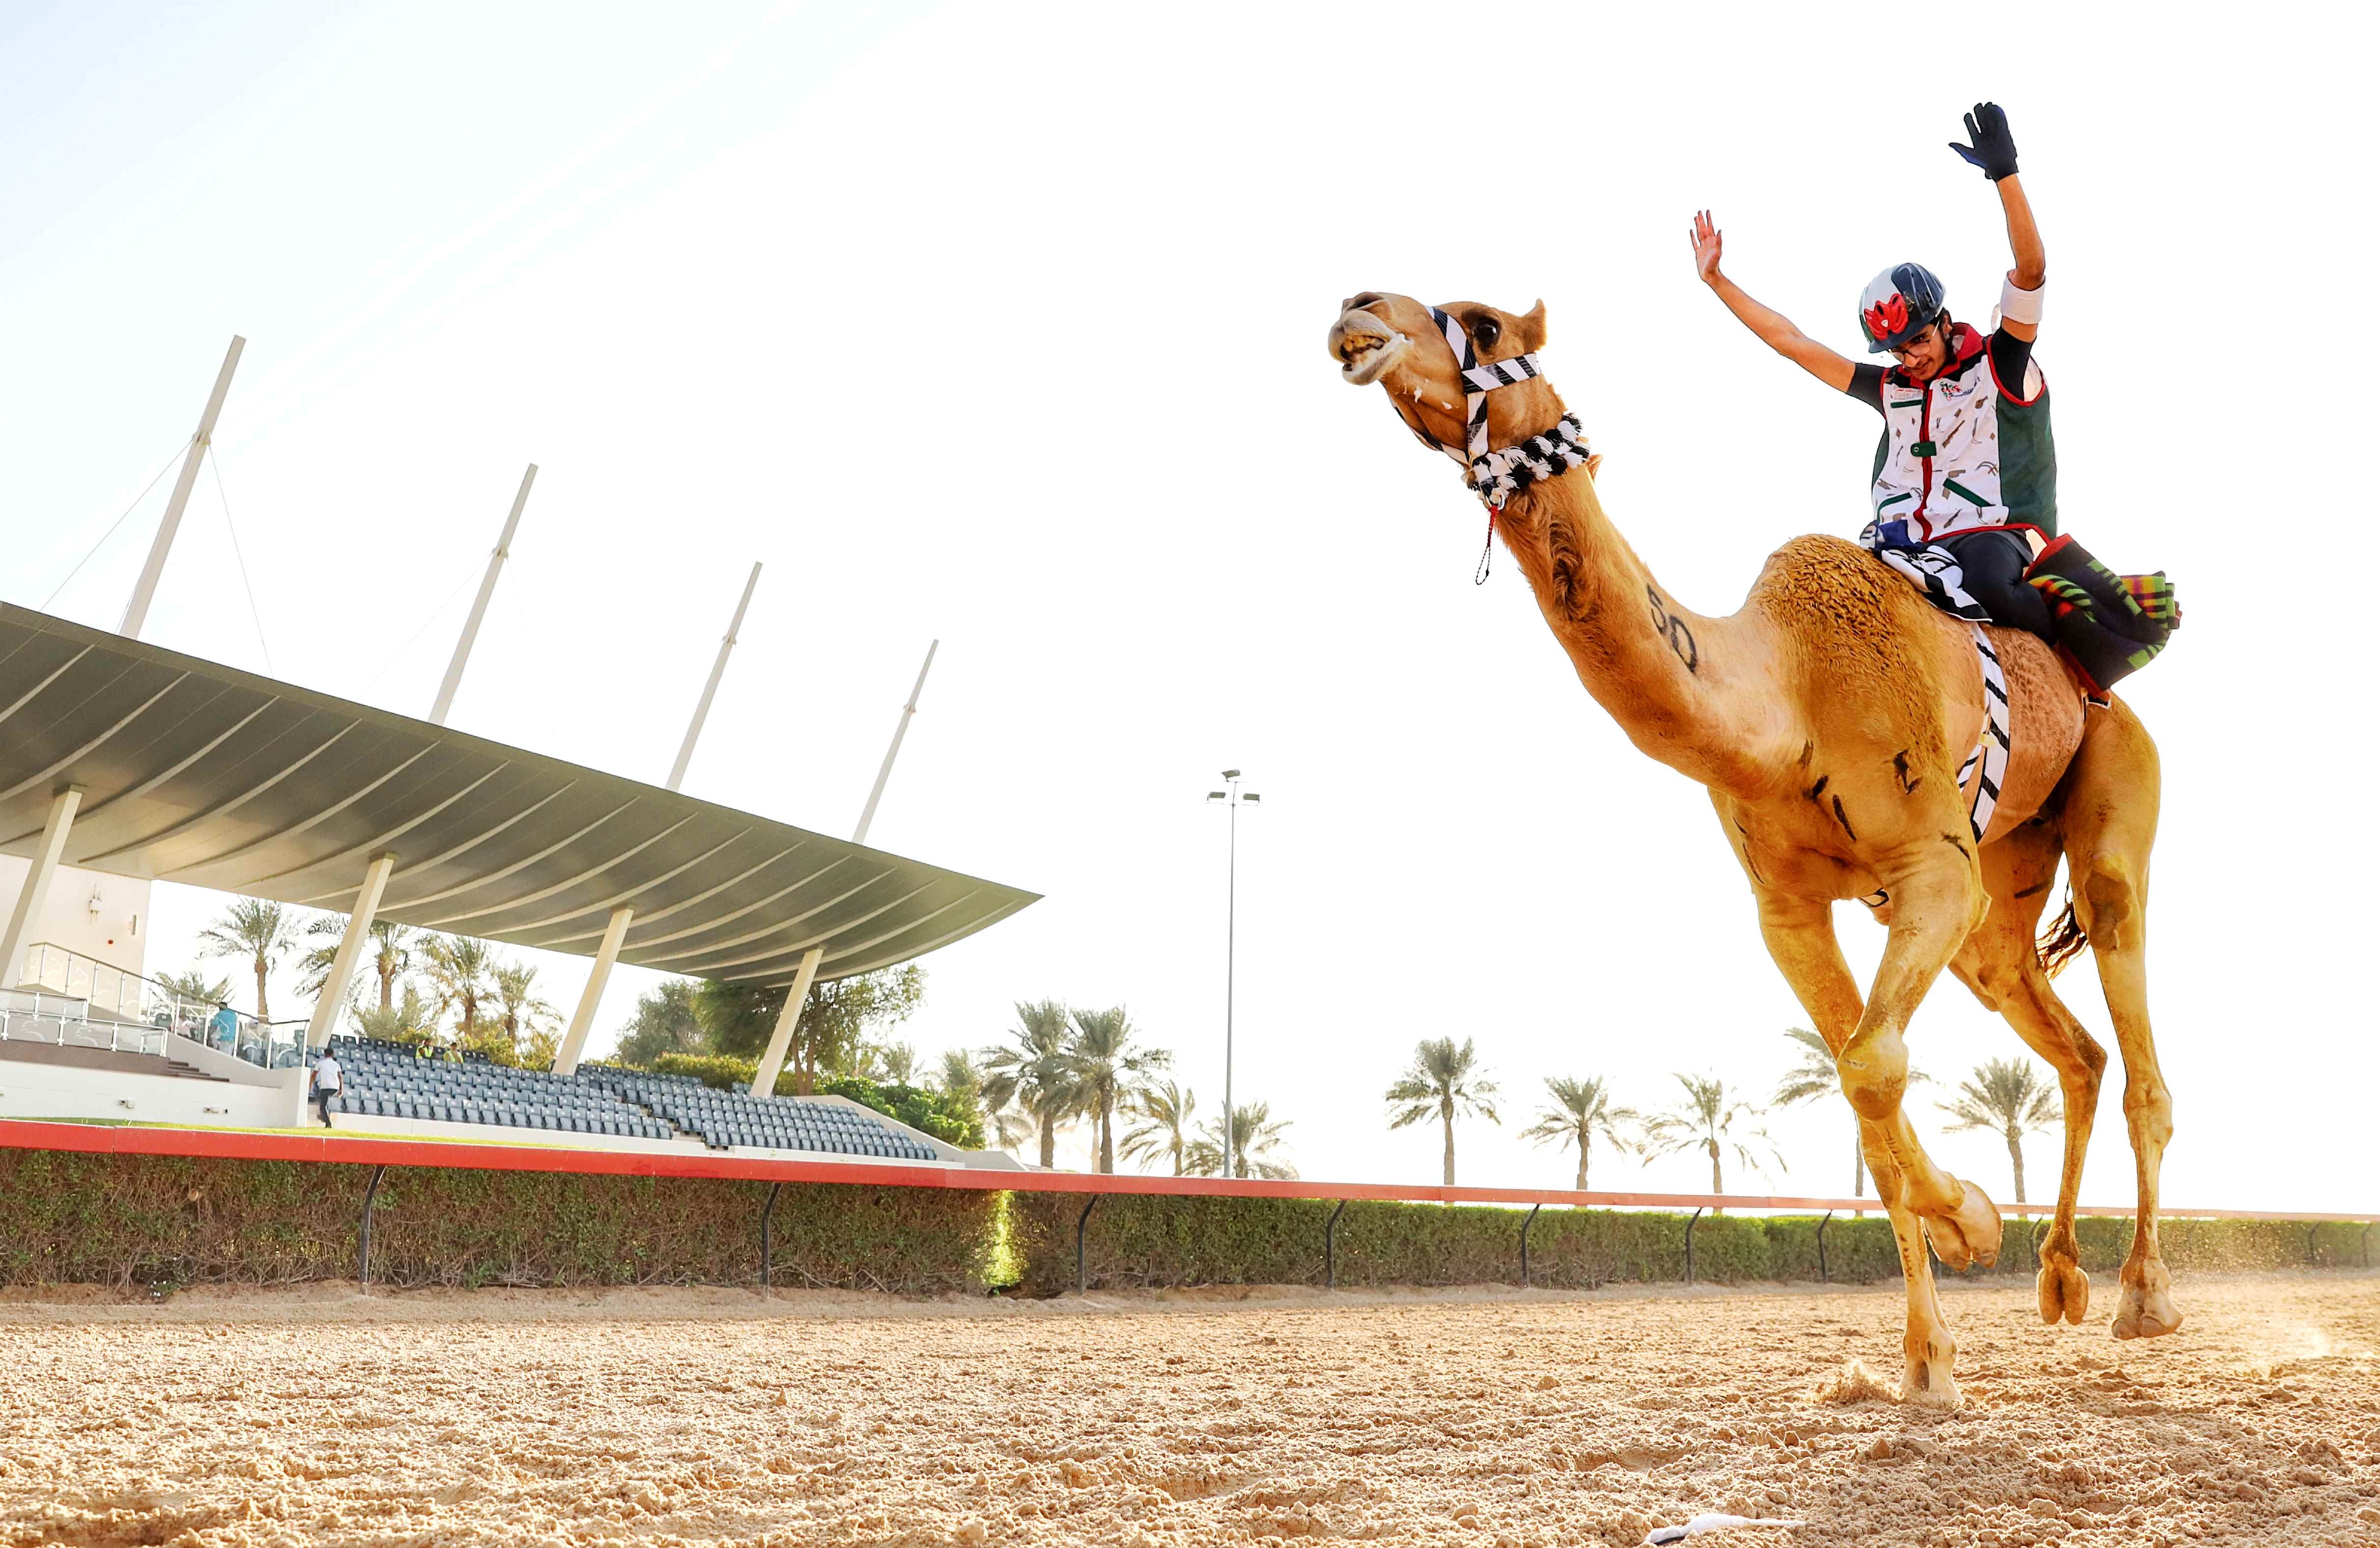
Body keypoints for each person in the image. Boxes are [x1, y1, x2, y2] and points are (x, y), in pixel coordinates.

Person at [1688, 102, 2176, 695]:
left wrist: (2005, 174)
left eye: (1918, 339)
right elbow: (1791, 341)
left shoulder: (2001, 360)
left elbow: (2030, 269)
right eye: (1896, 350)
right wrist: (1717, 281)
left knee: (1991, 584)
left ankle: (2071, 664)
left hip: (1991, 536)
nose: (1910, 357)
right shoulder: (1888, 389)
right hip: (1903, 544)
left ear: (1943, 321)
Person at [310, 1045, 343, 1128]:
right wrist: (341, 1089)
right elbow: (340, 1077)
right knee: (325, 1102)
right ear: (332, 1055)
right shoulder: (336, 1064)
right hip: (335, 1087)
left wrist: (310, 1084)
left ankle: (328, 1123)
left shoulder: (321, 1063)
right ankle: (324, 1116)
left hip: (326, 1087)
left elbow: (314, 1075)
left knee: (322, 1106)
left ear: (325, 1055)